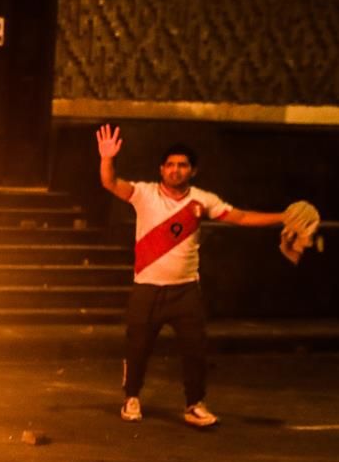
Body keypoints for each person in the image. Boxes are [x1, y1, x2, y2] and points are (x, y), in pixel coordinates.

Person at [96, 125, 289, 427]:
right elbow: (110, 183)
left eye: (182, 165)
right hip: (147, 289)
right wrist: (107, 158)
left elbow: (239, 216)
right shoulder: (144, 194)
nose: (175, 170)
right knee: (137, 347)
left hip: (185, 291)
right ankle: (131, 398)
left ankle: (194, 404)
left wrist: (283, 217)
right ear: (161, 169)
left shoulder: (202, 200)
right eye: (170, 165)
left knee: (195, 350)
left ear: (193, 170)